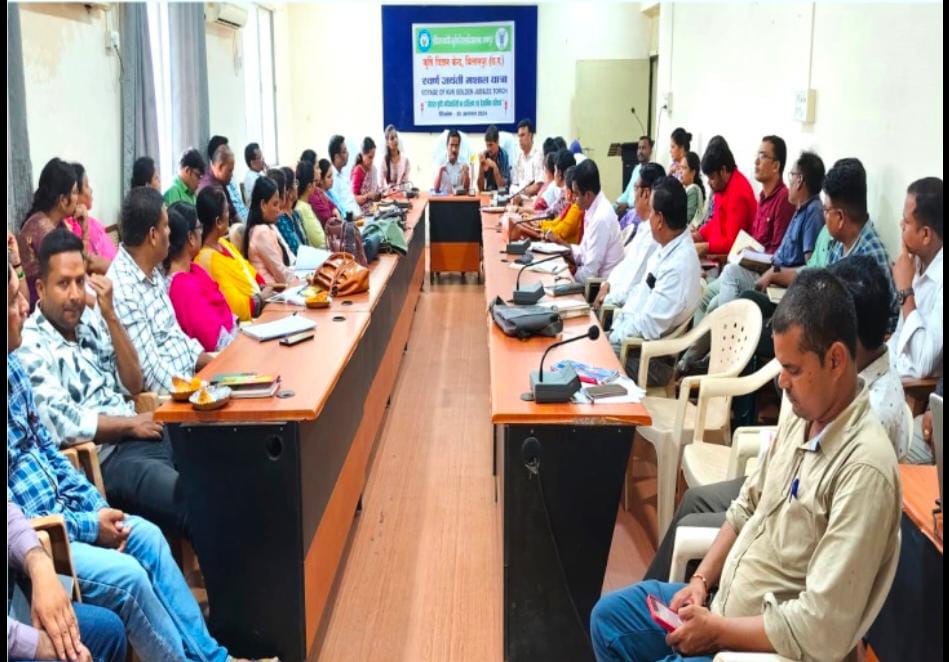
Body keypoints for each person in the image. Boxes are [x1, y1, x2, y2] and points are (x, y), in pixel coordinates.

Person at [592, 269, 901, 662]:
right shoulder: (803, 414)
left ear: (836, 359)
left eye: (793, 369)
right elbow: (746, 506)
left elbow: (819, 627)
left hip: (757, 646)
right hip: (722, 608)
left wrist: (716, 633)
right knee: (607, 621)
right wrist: (701, 581)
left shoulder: (864, 469)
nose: (782, 383)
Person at [8, 263, 275, 662]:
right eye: (14, 299)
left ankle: (216, 656)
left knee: (147, 536)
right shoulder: (31, 348)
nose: (23, 307)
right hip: (48, 539)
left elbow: (50, 451)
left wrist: (98, 509)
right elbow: (21, 515)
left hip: (76, 510)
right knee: (130, 577)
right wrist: (88, 525)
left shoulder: (13, 366)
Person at [18, 227, 193, 540]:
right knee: (192, 503)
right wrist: (129, 425)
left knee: (218, 467)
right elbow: (63, 422)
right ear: (41, 289)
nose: (75, 294)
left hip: (142, 432)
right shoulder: (31, 345)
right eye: (63, 284)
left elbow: (133, 382)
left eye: (80, 281)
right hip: (108, 457)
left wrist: (110, 315)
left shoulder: (88, 321)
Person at [106, 187, 213, 394]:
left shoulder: (152, 272)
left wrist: (218, 367)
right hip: (173, 401)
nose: (170, 232)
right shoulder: (124, 290)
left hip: (191, 383)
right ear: (153, 235)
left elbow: (177, 337)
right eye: (165, 225)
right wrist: (202, 391)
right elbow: (152, 376)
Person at [8, 500, 127, 662]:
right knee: (130, 579)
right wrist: (39, 645)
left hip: (15, 595)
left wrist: (39, 563)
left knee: (109, 630)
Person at [609, 177, 702, 385]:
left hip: (649, 360)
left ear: (659, 219)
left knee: (593, 360)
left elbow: (648, 326)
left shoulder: (678, 265)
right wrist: (616, 328)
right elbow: (640, 292)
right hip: (633, 343)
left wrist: (613, 337)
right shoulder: (668, 247)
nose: (647, 217)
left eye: (651, 211)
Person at [695, 137, 798, 322]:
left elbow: (778, 255)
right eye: (757, 155)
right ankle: (700, 340)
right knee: (705, 301)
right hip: (748, 266)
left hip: (764, 275)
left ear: (776, 166)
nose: (756, 161)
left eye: (763, 156)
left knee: (728, 275)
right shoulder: (763, 197)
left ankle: (725, 336)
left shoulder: (782, 199)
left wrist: (753, 256)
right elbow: (721, 225)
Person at [888, 176, 943, 379]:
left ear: (926, 234)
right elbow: (898, 339)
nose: (900, 225)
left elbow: (922, 363)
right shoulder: (915, 262)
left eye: (907, 221)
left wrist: (905, 291)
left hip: (916, 391)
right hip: (895, 376)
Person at [165, 203, 238, 352]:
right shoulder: (181, 287)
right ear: (190, 238)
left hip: (234, 338)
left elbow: (223, 308)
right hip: (223, 356)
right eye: (199, 228)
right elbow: (213, 341)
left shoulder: (193, 269)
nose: (202, 232)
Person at [194, 185, 273, 321]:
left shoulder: (223, 244)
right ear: (218, 222)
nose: (229, 215)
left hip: (261, 305)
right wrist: (261, 298)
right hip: (249, 321)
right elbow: (234, 306)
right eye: (227, 211)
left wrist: (264, 287)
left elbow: (247, 269)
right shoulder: (206, 259)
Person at [596, 163, 666, 310]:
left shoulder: (653, 237)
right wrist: (607, 284)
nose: (633, 197)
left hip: (618, 309)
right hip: (611, 296)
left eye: (635, 188)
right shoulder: (644, 227)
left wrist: (604, 299)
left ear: (646, 194)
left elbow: (631, 286)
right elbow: (625, 265)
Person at [17, 157, 79, 308]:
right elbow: (74, 266)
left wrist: (84, 229)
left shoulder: (58, 223)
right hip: (40, 304)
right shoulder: (41, 228)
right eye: (75, 192)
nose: (78, 198)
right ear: (62, 200)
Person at [691, 137, 757, 256]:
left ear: (723, 170)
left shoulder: (738, 193)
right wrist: (698, 235)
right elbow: (716, 222)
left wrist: (705, 247)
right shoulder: (723, 187)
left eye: (712, 178)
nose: (709, 183)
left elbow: (733, 244)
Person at [566, 159, 624, 285]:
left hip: (600, 288)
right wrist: (563, 249)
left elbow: (589, 274)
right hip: (592, 278)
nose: (574, 199)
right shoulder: (592, 206)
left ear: (587, 195)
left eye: (576, 194)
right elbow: (583, 252)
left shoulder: (600, 218)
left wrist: (566, 275)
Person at [65, 162, 117, 273]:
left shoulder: (91, 222)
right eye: (87, 185)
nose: (91, 190)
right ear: (75, 193)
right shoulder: (69, 229)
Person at [245, 176, 297, 286]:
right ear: (263, 205)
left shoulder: (269, 227)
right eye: (275, 204)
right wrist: (302, 281)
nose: (278, 209)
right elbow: (280, 273)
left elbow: (287, 261)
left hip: (281, 286)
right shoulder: (261, 232)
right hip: (275, 291)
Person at [199, 143, 242, 225]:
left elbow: (233, 212)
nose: (232, 175)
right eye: (230, 171)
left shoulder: (221, 181)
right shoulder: (209, 188)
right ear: (220, 167)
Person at [615, 136, 655, 220]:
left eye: (643, 148)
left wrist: (627, 205)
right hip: (627, 208)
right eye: (639, 148)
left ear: (650, 150)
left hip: (639, 211)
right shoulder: (636, 169)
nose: (640, 151)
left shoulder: (652, 170)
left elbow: (647, 199)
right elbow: (627, 192)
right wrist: (617, 203)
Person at [267, 169, 306, 255]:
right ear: (288, 191)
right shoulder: (281, 220)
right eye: (295, 182)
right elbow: (296, 250)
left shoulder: (295, 214)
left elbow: (306, 244)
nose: (297, 186)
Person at [295, 159, 328, 248]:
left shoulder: (304, 205)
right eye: (315, 181)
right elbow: (321, 242)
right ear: (309, 186)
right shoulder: (302, 208)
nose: (316, 185)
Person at [328, 135, 362, 218]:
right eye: (344, 151)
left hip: (359, 217)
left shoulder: (343, 174)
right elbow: (338, 207)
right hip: (351, 221)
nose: (348, 154)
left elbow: (350, 200)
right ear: (336, 157)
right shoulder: (332, 179)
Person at [511, 118, 544, 197]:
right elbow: (514, 184)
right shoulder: (518, 157)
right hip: (519, 197)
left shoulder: (538, 155)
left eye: (523, 135)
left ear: (530, 135)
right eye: (519, 136)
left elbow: (539, 185)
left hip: (532, 200)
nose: (520, 139)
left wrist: (520, 192)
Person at [309, 158, 344, 228]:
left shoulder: (328, 192)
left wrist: (335, 210)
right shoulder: (313, 195)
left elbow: (335, 207)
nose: (320, 171)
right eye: (317, 168)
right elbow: (327, 217)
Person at [434, 129, 471, 195]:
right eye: (451, 145)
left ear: (459, 146)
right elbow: (435, 189)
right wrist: (440, 171)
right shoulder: (440, 160)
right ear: (447, 145)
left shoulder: (464, 161)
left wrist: (466, 174)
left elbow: (466, 189)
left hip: (458, 198)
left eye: (456, 145)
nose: (454, 149)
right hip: (443, 198)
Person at [352, 137, 383, 213]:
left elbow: (376, 193)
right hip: (361, 213)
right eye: (370, 157)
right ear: (362, 154)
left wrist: (378, 196)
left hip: (372, 210)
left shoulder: (373, 169)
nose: (372, 161)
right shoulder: (358, 171)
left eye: (373, 157)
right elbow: (353, 199)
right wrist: (367, 196)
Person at [477, 125, 510, 192]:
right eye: (487, 145)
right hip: (488, 193)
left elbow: (502, 188)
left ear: (497, 142)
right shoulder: (485, 155)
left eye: (491, 145)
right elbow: (480, 189)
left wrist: (495, 167)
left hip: (501, 195)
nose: (489, 149)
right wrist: (481, 167)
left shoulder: (503, 155)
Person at [381, 124, 411, 189]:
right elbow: (381, 184)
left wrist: (399, 190)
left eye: (396, 137)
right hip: (387, 193)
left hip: (402, 193)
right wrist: (388, 190)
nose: (395, 140)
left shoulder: (405, 159)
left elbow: (406, 182)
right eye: (392, 138)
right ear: (387, 143)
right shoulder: (383, 160)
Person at [682, 152, 706, 230]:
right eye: (680, 168)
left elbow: (687, 218)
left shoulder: (693, 190)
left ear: (693, 172)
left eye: (684, 168)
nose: (680, 172)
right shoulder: (686, 188)